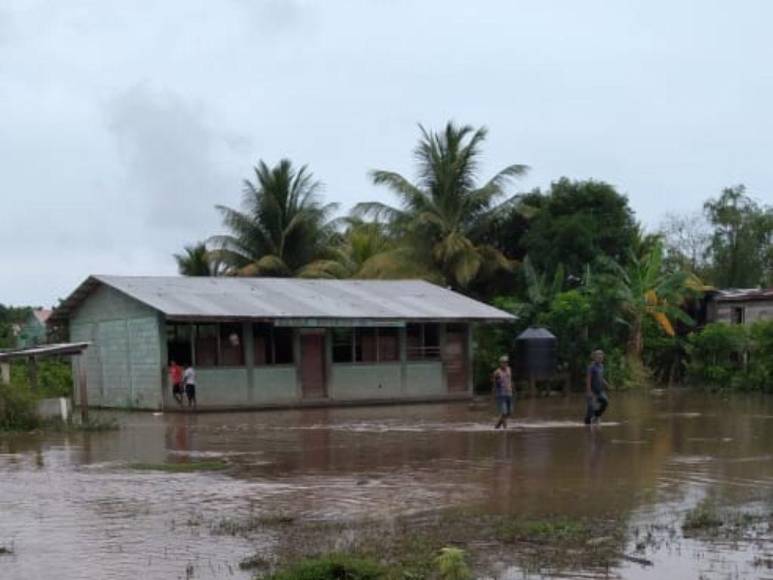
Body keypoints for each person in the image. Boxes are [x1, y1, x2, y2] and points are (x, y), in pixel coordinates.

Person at [585, 350, 610, 425]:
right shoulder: (591, 367)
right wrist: (589, 391)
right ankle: (587, 425)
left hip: (600, 390)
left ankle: (597, 416)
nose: (600, 358)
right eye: (598, 357)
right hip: (592, 391)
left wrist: (605, 383)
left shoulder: (601, 366)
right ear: (595, 358)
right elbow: (588, 379)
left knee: (605, 402)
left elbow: (600, 377)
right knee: (590, 409)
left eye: (601, 357)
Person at [493, 355, 513, 429]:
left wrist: (513, 389)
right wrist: (494, 395)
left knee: (509, 412)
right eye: (503, 362)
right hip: (501, 395)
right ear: (500, 363)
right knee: (504, 412)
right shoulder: (497, 372)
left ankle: (497, 426)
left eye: (506, 362)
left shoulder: (509, 369)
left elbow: (510, 380)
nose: (505, 364)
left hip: (509, 393)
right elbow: (495, 384)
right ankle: (505, 429)